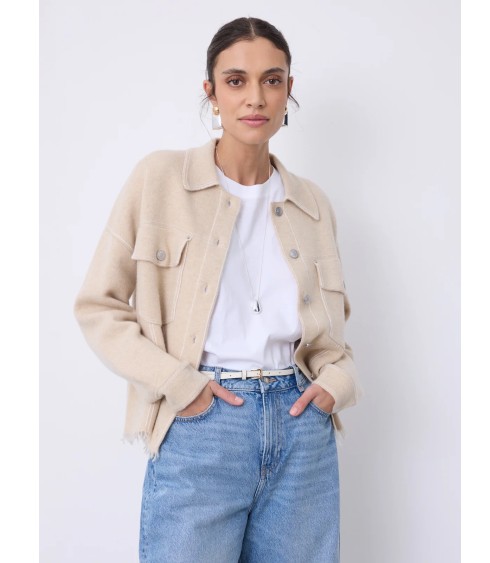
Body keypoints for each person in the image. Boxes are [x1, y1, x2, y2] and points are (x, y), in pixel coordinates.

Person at [74, 16, 361, 563]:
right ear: (210, 92)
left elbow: (332, 339)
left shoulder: (313, 205)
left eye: (272, 80)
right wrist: (178, 384)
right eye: (236, 81)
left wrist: (337, 384)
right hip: (202, 425)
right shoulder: (159, 179)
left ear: (288, 90)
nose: (255, 97)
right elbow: (98, 306)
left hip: (303, 431)